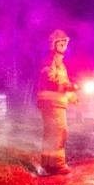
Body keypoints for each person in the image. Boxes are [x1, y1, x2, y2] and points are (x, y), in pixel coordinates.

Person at [35, 29, 76, 174]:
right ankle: (57, 165)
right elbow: (50, 79)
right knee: (59, 132)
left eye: (65, 43)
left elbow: (62, 81)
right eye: (61, 43)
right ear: (53, 44)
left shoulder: (58, 62)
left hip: (54, 102)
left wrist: (72, 96)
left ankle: (48, 164)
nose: (64, 46)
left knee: (53, 133)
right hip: (51, 101)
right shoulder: (50, 60)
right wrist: (68, 87)